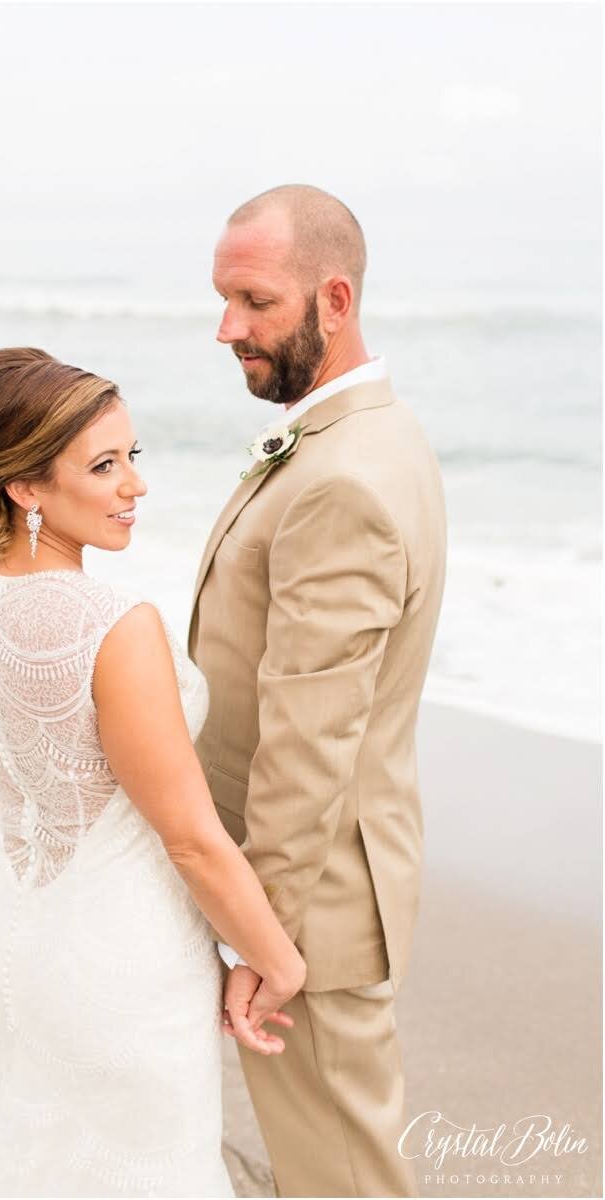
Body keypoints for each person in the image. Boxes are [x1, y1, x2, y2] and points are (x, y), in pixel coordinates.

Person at [0, 348, 306, 1196]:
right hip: (127, 958)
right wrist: (278, 960)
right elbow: (192, 839)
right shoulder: (112, 624)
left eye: (134, 457)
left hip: (21, 938)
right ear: (25, 488)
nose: (135, 485)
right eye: (103, 465)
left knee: (43, 1155)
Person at [193, 184, 447, 1197]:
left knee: (342, 1179)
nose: (227, 329)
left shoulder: (344, 476)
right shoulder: (360, 435)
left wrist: (266, 940)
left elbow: (309, 739)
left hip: (312, 913)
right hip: (306, 893)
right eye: (223, 301)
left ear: (332, 301)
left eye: (254, 302)